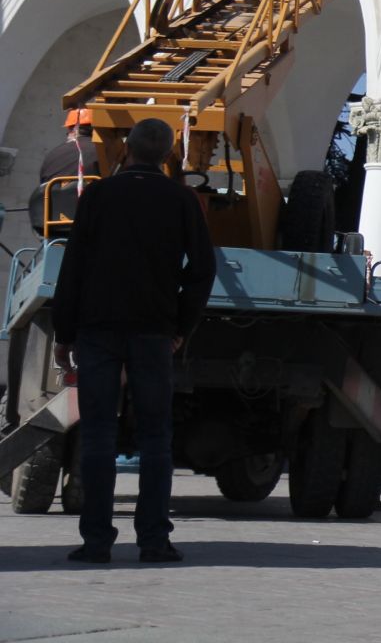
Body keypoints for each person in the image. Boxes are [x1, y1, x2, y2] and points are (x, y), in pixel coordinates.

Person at [50, 117, 215, 564]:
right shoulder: (182, 200)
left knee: (99, 434)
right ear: (166, 156)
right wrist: (181, 324)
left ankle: (97, 541)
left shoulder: (99, 195)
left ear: (125, 150)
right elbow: (202, 270)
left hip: (98, 329)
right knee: (156, 438)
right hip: (153, 332)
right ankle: (154, 541)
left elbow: (75, 267)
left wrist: (65, 332)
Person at [35, 108, 99, 234]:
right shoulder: (102, 153)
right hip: (91, 225)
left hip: (52, 225)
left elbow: (43, 185)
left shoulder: (52, 155)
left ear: (70, 129)